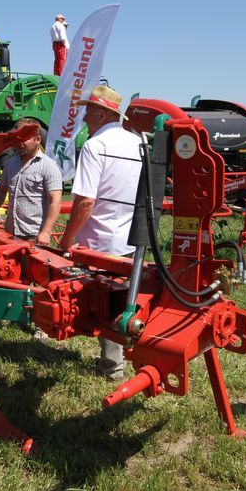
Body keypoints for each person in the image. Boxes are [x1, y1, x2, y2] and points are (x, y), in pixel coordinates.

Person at [59, 85, 142, 380]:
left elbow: (85, 200)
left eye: (88, 110)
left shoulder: (96, 146)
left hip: (98, 241)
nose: (83, 117)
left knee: (104, 303)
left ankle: (112, 368)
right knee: (126, 299)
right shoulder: (137, 144)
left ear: (104, 113)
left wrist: (67, 239)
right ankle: (130, 355)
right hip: (131, 237)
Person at [0, 118, 62, 246]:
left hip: (34, 237)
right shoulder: (11, 164)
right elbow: (1, 189)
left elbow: (55, 201)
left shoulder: (48, 167)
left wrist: (46, 232)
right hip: (10, 233)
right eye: (18, 138)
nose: (20, 143)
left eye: (25, 138)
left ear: (38, 140)